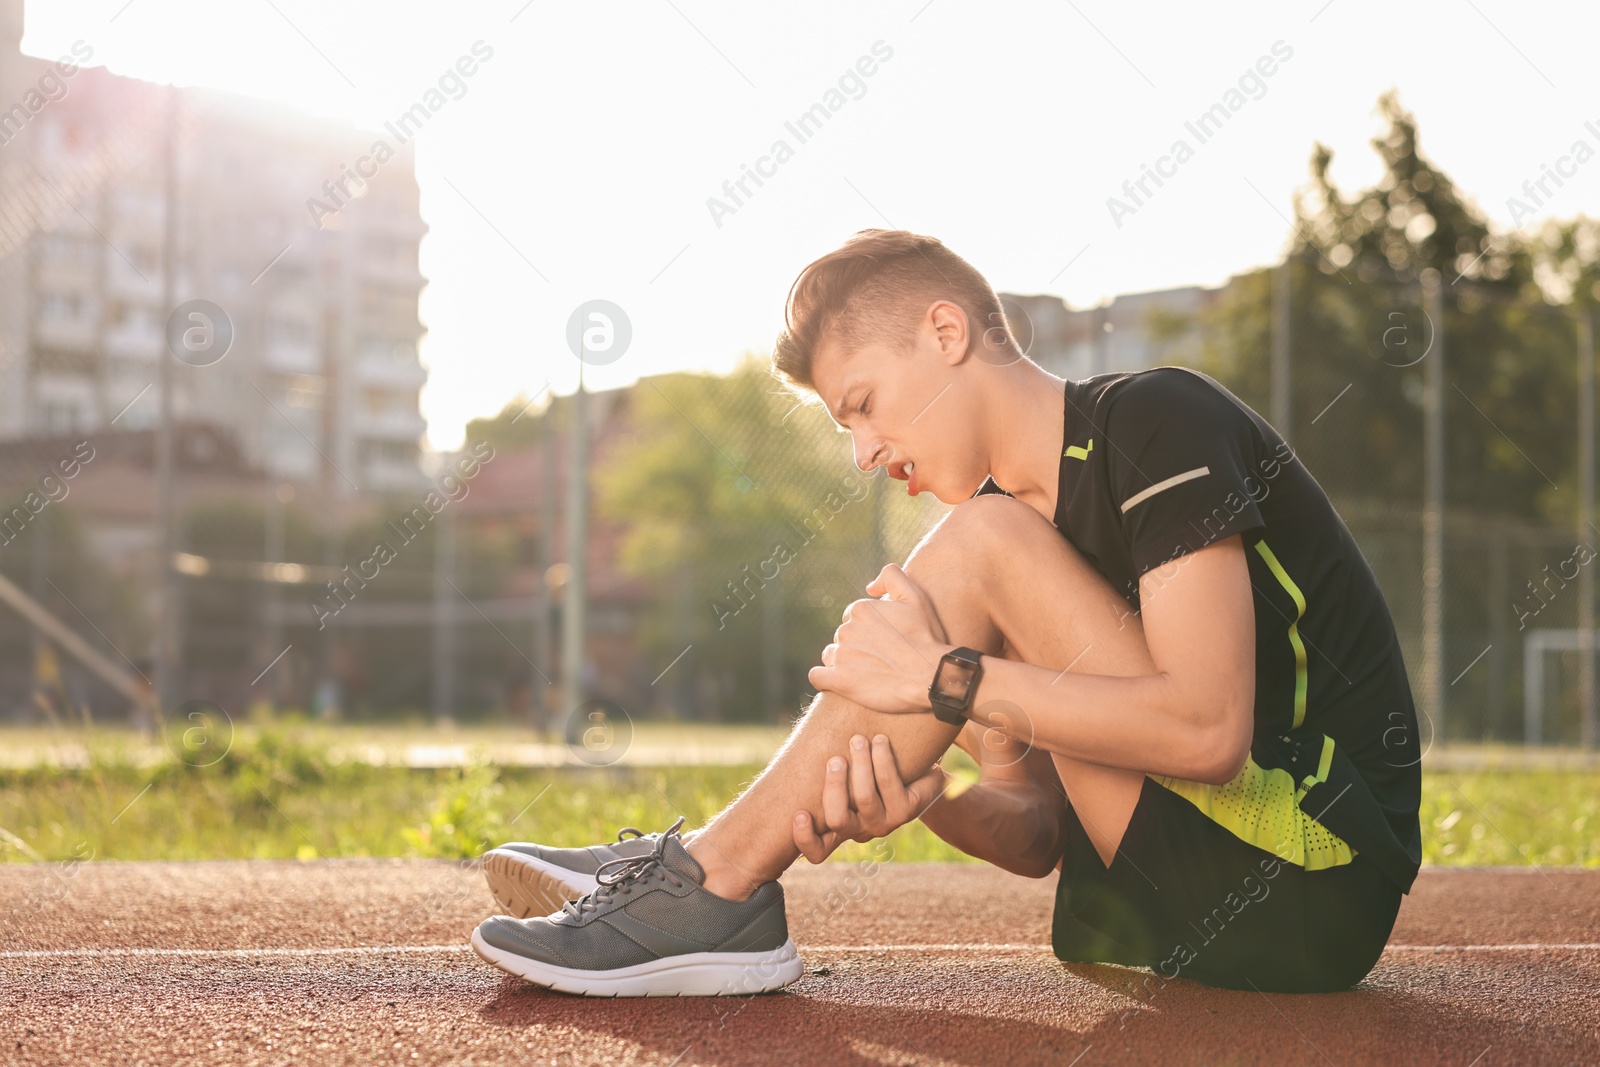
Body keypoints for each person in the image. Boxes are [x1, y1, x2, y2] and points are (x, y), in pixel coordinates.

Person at [468, 228, 1423, 998]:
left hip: (1312, 875)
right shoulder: (1018, 545)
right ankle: (705, 876)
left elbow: (1210, 728)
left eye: (864, 405)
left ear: (946, 332)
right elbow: (1040, 831)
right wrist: (937, 802)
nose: (862, 451)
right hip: (1181, 897)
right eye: (847, 428)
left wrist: (947, 679)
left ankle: (710, 882)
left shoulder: (1157, 419)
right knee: (978, 547)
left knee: (976, 549)